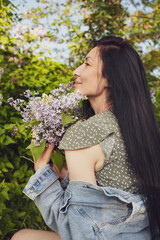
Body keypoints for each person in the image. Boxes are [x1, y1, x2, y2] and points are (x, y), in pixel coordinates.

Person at [11, 36, 160, 240]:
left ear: (111, 78)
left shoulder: (85, 133)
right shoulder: (137, 128)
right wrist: (67, 179)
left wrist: (43, 176)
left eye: (87, 64)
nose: (76, 71)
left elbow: (82, 231)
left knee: (20, 238)